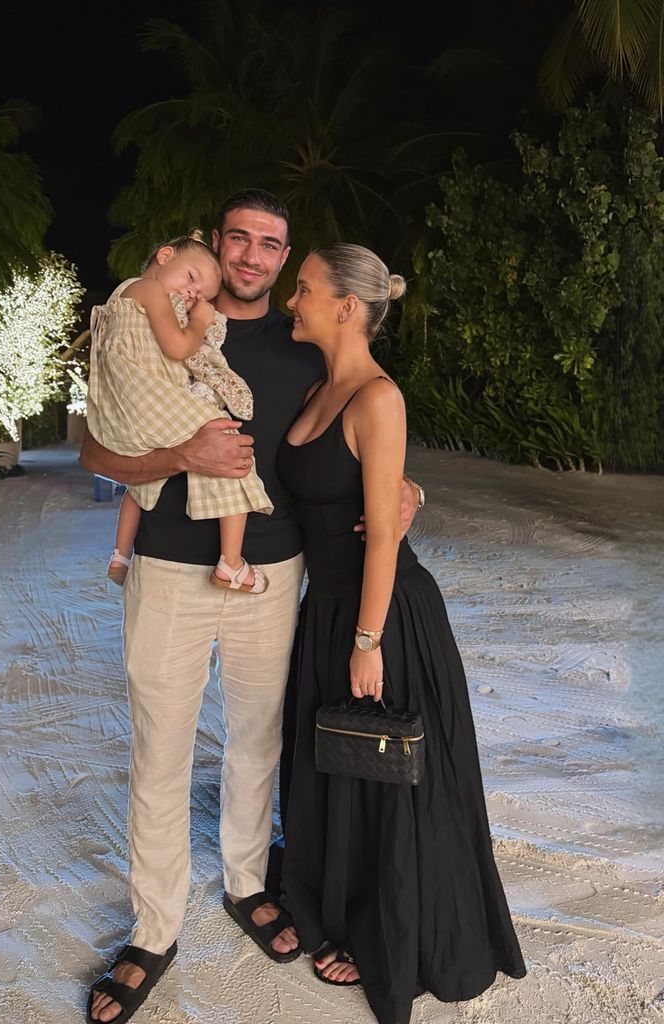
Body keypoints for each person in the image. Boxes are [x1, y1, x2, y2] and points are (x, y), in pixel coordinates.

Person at [80, 191, 421, 1024]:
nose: (254, 256)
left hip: (273, 577)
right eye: (239, 238)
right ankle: (154, 928)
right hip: (166, 569)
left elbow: (357, 436)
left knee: (257, 743)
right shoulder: (150, 320)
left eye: (272, 246)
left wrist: (405, 490)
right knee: (159, 749)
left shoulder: (306, 346)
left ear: (285, 260)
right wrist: (177, 452)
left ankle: (244, 880)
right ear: (213, 244)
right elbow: (95, 447)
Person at [277, 243, 526, 1024]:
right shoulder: (322, 384)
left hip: (381, 617)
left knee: (387, 775)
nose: (294, 299)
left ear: (347, 307)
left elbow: (382, 534)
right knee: (343, 771)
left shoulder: (377, 398)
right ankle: (346, 913)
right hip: (331, 612)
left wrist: (365, 641)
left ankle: (392, 935)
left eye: (306, 288)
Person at [87, 230, 272, 595]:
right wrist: (201, 320)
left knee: (140, 484)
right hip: (147, 398)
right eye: (191, 279)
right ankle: (231, 563)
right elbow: (178, 347)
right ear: (164, 255)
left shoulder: (121, 299)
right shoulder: (149, 290)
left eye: (201, 295)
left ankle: (121, 555)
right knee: (228, 449)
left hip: (123, 411)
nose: (192, 294)